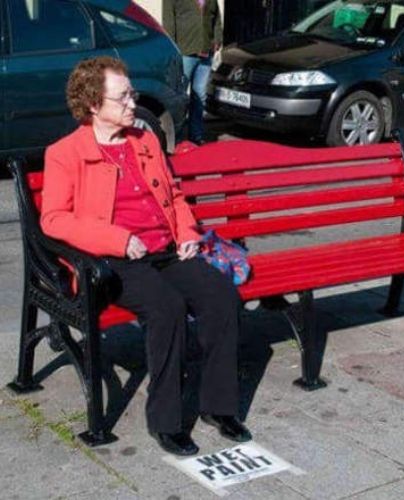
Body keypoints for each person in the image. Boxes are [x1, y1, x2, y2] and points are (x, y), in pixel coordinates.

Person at [40, 56, 251, 456]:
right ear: (93, 104)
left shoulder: (144, 140)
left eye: (131, 94)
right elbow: (53, 220)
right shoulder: (65, 153)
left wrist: (186, 233)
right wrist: (117, 239)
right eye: (122, 97)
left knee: (220, 295)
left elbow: (174, 194)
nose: (132, 103)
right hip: (114, 262)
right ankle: (166, 422)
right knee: (166, 308)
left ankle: (219, 407)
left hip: (166, 251)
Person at [163, 0, 222, 145]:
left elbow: (216, 18)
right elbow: (168, 22)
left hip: (205, 53)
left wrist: (217, 40)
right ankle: (174, 138)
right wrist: (172, 49)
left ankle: (196, 136)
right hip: (184, 52)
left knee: (200, 96)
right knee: (178, 96)